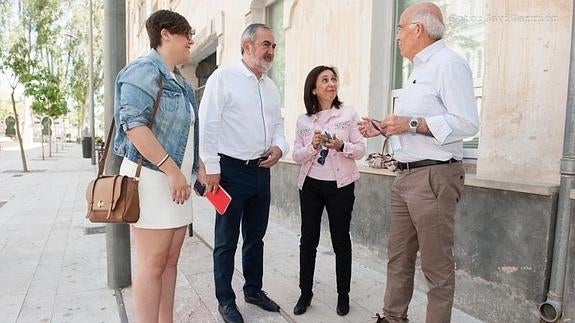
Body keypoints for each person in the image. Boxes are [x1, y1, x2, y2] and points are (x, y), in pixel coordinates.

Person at [359, 3, 479, 323]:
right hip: (405, 177)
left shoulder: (448, 64)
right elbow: (414, 126)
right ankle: (393, 318)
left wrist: (410, 124)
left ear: (418, 30)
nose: (397, 36)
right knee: (398, 259)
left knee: (436, 268)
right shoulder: (419, 69)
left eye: (400, 28)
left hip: (434, 177)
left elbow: (467, 123)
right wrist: (385, 128)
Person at [112, 10, 199, 323]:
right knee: (152, 264)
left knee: (170, 262)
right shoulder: (143, 70)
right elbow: (134, 127)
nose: (191, 40)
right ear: (165, 34)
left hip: (176, 184)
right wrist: (173, 170)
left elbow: (181, 132)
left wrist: (196, 164)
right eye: (186, 34)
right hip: (152, 180)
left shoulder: (180, 80)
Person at [198, 23, 288, 323]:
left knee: (256, 237)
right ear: (247, 46)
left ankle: (253, 290)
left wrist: (279, 147)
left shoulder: (271, 86)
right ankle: (225, 300)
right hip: (230, 171)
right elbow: (208, 122)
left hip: (261, 171)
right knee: (226, 241)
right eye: (266, 44)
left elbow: (277, 125)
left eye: (273, 46)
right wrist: (211, 167)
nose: (271, 51)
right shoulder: (223, 78)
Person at [291, 66, 366, 316]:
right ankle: (305, 293)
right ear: (314, 88)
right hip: (311, 186)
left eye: (334, 79)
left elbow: (360, 148)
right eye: (325, 80)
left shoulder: (347, 114)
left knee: (341, 241)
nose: (331, 83)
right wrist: (312, 146)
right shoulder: (303, 121)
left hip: (341, 186)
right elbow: (296, 155)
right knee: (308, 240)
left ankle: (343, 295)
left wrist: (341, 144)